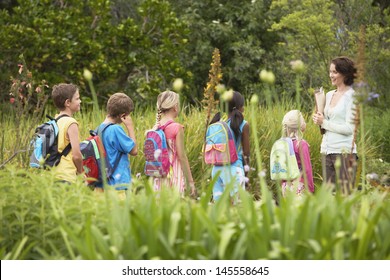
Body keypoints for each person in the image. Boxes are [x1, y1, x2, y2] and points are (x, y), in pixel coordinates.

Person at [313, 56, 358, 193]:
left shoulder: (352, 96)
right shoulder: (329, 94)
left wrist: (324, 123)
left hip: (344, 153)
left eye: (334, 72)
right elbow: (325, 122)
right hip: (327, 150)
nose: (331, 75)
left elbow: (349, 129)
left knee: (346, 197)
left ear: (345, 73)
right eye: (330, 71)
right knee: (329, 198)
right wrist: (318, 118)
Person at [152, 90, 196, 197]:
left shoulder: (155, 128)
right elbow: (182, 156)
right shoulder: (177, 128)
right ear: (175, 107)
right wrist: (190, 182)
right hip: (174, 174)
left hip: (158, 176)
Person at [210, 91, 250, 204]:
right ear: (240, 107)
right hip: (234, 169)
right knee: (237, 210)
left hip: (216, 170)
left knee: (219, 209)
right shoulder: (244, 124)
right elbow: (246, 153)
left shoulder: (219, 124)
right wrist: (246, 178)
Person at [97, 93, 137, 197]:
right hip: (118, 184)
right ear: (123, 115)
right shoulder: (115, 129)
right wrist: (130, 127)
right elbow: (134, 151)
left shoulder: (99, 129)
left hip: (103, 184)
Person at [51, 83, 83, 183]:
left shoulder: (55, 120)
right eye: (77, 99)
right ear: (68, 102)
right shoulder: (71, 123)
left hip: (52, 174)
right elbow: (77, 155)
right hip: (66, 175)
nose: (80, 101)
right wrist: (81, 172)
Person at [281, 110, 314, 196]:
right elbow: (307, 169)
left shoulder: (282, 143)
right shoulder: (301, 144)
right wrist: (310, 188)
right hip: (300, 186)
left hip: (285, 186)